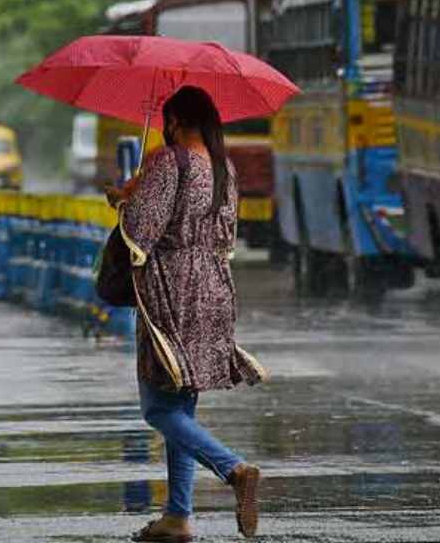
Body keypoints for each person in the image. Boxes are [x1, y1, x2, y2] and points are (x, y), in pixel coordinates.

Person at [107, 86, 265, 542]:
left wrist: (126, 200)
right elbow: (226, 232)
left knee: (157, 407)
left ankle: (233, 469)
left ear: (174, 120)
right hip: (214, 289)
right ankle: (177, 516)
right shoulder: (223, 167)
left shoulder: (166, 161)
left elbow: (141, 233)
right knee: (181, 404)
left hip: (170, 292)